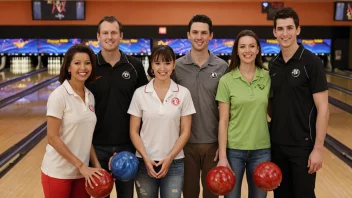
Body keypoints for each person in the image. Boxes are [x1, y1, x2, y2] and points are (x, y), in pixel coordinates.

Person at [269, 7, 330, 198]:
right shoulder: (273, 64)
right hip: (277, 146)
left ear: (298, 29)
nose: (285, 33)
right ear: (274, 32)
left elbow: (324, 109)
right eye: (280, 29)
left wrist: (318, 150)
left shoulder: (311, 62)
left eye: (289, 28)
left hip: (303, 146)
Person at [85, 16, 149, 198]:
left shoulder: (135, 66)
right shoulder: (89, 66)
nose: (109, 37)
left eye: (114, 32)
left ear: (121, 35)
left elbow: (145, 104)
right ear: (98, 36)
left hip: (127, 146)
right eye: (105, 33)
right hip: (95, 147)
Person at [128, 45, 196, 198]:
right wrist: (145, 158)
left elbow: (185, 131)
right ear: (151, 65)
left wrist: (170, 157)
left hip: (175, 162)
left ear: (174, 65)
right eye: (157, 63)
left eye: (167, 62)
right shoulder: (140, 93)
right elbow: (133, 131)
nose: (162, 68)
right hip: (144, 163)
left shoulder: (183, 93)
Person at [173, 14, 228, 198]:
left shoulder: (222, 67)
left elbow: (227, 110)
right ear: (188, 35)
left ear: (211, 35)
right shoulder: (176, 67)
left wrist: (224, 145)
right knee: (189, 194)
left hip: (213, 144)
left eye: (204, 33)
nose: (199, 37)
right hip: (185, 144)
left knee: (212, 194)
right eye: (195, 32)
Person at [41, 44, 104, 198]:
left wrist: (96, 165)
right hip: (58, 172)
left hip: (83, 174)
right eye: (77, 63)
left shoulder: (90, 96)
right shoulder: (58, 96)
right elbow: (52, 138)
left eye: (87, 63)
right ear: (68, 67)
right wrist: (81, 165)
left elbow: (85, 136)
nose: (83, 67)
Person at [216, 30, 271, 198]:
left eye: (252, 46)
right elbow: (223, 121)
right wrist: (223, 156)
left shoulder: (268, 77)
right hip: (234, 150)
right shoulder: (226, 80)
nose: (248, 50)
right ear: (237, 51)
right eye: (243, 46)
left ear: (258, 49)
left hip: (261, 149)